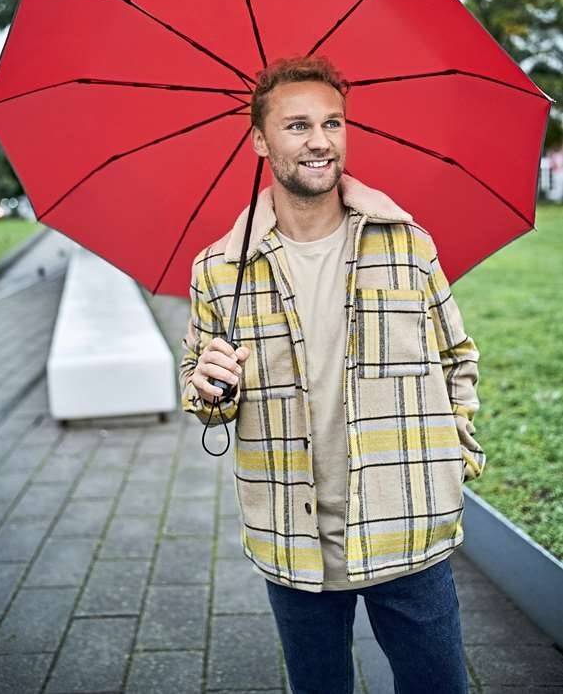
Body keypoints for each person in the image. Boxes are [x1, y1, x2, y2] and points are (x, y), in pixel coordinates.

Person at [179, 54, 487, 694]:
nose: (320, 140)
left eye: (333, 122)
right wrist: (207, 386)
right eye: (297, 126)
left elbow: (458, 357)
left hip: (410, 518)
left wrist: (454, 455)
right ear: (260, 140)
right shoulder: (219, 269)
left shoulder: (406, 244)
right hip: (291, 534)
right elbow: (202, 392)